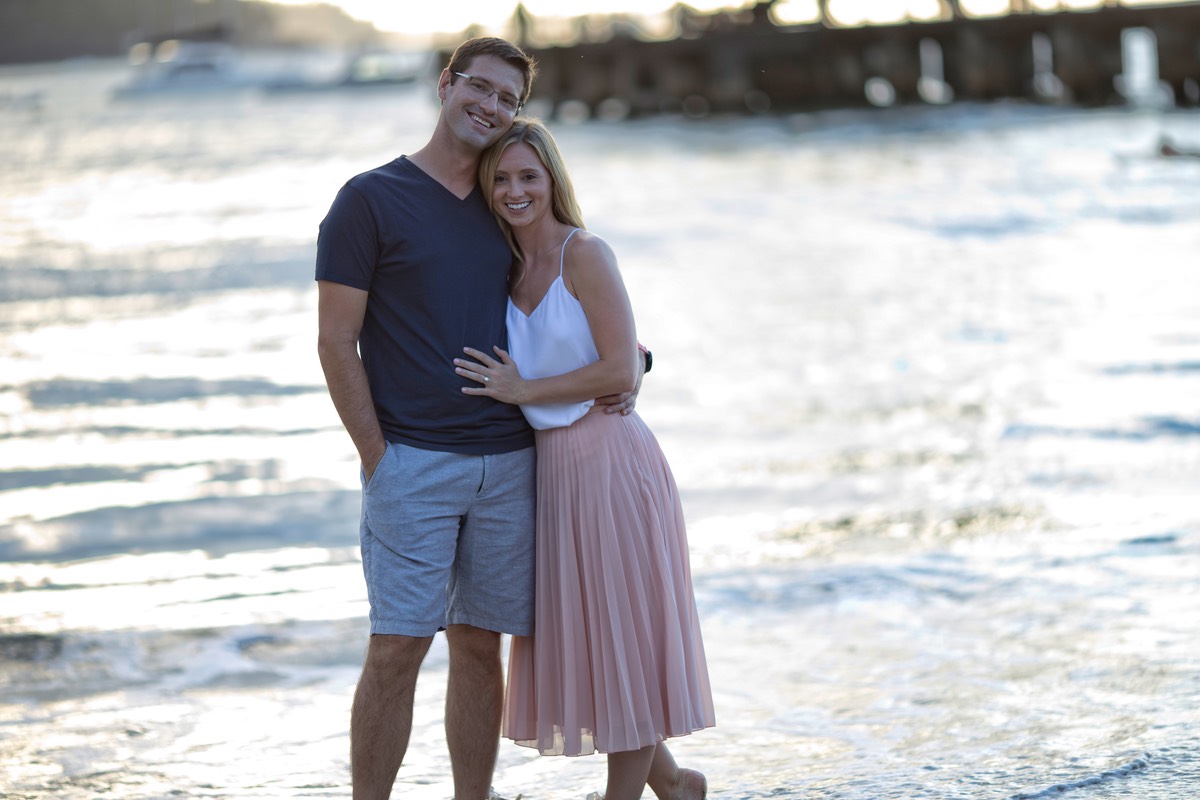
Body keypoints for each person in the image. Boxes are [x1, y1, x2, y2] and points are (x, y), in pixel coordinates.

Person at [315, 39, 642, 800]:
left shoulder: (507, 202)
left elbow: (567, 298)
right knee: (397, 647)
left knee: (477, 644)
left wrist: (636, 365)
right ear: (447, 85)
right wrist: (377, 457)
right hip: (414, 462)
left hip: (514, 461)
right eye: (481, 88)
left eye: (508, 99)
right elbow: (336, 340)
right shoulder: (369, 199)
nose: (491, 107)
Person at [454, 118, 715, 800]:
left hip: (610, 464)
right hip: (552, 474)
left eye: (528, 177)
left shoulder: (585, 253)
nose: (515, 191)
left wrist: (529, 390)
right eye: (502, 179)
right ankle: (678, 787)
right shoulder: (504, 270)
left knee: (621, 637)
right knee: (604, 646)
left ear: (552, 181)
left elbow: (621, 368)